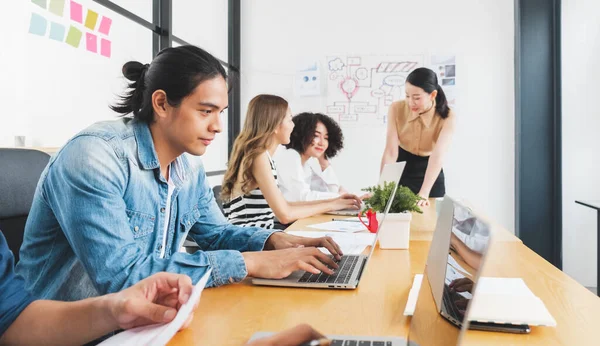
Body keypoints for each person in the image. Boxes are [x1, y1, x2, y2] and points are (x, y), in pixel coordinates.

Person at [16, 45, 344, 302]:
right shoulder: (95, 157)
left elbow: (216, 234)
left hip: (146, 321)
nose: (217, 127)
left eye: (221, 113)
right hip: (77, 330)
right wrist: (250, 263)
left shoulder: (187, 166)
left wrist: (274, 241)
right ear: (161, 103)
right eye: (205, 112)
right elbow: (121, 278)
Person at [0, 229, 196, 346]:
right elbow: (125, 271)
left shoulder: (188, 174)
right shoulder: (87, 165)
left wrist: (116, 310)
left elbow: (10, 317)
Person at [221, 95, 362, 229]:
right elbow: (285, 215)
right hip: (250, 237)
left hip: (259, 233)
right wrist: (333, 204)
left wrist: (335, 202)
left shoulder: (260, 155)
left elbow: (286, 205)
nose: (293, 126)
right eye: (289, 120)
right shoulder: (259, 156)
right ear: (275, 125)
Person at [380, 67, 455, 207]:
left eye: (416, 98)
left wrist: (424, 192)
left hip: (430, 170)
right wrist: (382, 189)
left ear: (432, 95)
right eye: (407, 96)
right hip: (402, 167)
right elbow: (391, 152)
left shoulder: (448, 116)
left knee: (429, 221)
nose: (410, 102)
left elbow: (437, 156)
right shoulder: (396, 109)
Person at [275, 112, 348, 202]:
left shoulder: (305, 165)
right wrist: (339, 196)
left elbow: (330, 191)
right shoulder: (290, 156)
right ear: (302, 134)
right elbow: (302, 197)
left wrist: (323, 160)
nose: (322, 143)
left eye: (326, 138)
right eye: (316, 136)